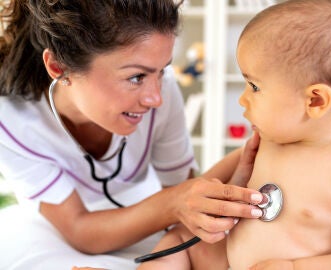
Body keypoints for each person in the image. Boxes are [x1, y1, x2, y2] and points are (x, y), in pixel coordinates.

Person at [0, 0, 265, 269]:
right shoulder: (9, 119)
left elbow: (182, 191)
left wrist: (248, 155)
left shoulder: (164, 90)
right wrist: (173, 203)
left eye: (161, 71)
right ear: (59, 68)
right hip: (56, 233)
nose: (156, 98)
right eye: (136, 77)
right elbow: (80, 230)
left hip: (145, 208)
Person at [137, 0, 331, 269]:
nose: (243, 100)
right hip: (229, 262)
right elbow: (198, 192)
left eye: (254, 86)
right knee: (181, 238)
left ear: (315, 101)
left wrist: (294, 268)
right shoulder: (263, 144)